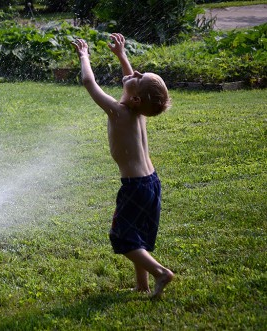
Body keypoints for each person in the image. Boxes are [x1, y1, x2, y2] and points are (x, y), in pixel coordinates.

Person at [72, 34, 174, 298]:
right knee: (138, 235)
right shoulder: (137, 111)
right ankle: (143, 286)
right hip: (151, 182)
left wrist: (84, 56)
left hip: (134, 187)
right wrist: (121, 56)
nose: (135, 73)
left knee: (123, 238)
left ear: (137, 98)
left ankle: (160, 273)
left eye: (139, 77)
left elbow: (88, 82)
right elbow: (132, 84)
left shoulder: (118, 111)